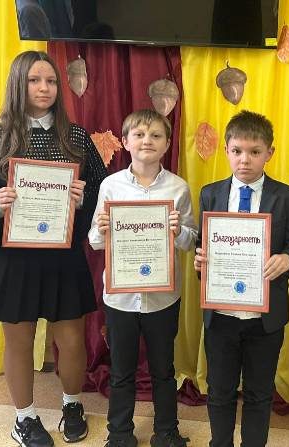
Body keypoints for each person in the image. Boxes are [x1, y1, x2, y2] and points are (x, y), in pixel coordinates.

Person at [0, 51, 107, 446]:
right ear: (18, 85)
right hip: (13, 255)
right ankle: (24, 417)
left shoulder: (75, 137)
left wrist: (83, 198)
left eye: (51, 81)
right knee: (19, 339)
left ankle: (72, 404)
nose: (44, 88)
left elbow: (103, 187)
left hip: (62, 254)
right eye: (34, 80)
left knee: (71, 338)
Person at [194, 110, 289, 447]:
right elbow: (203, 245)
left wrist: (288, 258)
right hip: (221, 315)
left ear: (269, 153)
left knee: (259, 393)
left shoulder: (287, 196)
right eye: (238, 151)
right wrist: (200, 262)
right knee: (220, 391)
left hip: (265, 318)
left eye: (255, 152)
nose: (245, 159)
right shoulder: (210, 194)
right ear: (226, 151)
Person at [88, 109, 196, 447]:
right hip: (120, 298)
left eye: (156, 135)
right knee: (121, 371)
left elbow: (191, 241)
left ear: (167, 144)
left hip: (163, 298)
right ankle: (120, 434)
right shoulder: (110, 186)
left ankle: (166, 432)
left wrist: (179, 232)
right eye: (139, 134)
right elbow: (94, 241)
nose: (147, 140)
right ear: (125, 141)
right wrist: (102, 229)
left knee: (164, 369)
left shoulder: (179, 187)